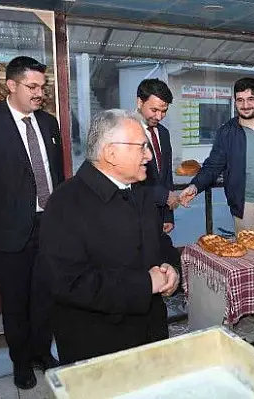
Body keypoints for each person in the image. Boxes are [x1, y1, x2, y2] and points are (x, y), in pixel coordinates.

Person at [39, 109, 180, 364]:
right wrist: (144, 285)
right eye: (142, 148)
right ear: (111, 153)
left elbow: (161, 243)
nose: (148, 156)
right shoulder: (66, 202)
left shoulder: (141, 191)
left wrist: (171, 268)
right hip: (98, 345)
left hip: (150, 333)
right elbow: (68, 283)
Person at [0, 56, 63, 389]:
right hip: (6, 233)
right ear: (11, 85)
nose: (39, 94)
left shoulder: (48, 124)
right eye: (32, 87)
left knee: (45, 298)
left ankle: (41, 352)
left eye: (42, 88)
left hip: (48, 227)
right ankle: (21, 362)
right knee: (16, 302)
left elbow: (56, 176)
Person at [179, 77, 254, 235]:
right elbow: (213, 166)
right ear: (235, 102)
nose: (246, 105)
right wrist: (194, 186)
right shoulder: (227, 132)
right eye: (240, 100)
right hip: (246, 207)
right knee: (249, 257)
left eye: (251, 99)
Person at [135, 79, 181, 267]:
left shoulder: (163, 133)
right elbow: (128, 181)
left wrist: (167, 215)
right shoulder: (126, 131)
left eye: (164, 111)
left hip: (158, 217)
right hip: (134, 217)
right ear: (140, 102)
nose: (160, 116)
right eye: (154, 110)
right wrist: (164, 196)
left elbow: (166, 175)